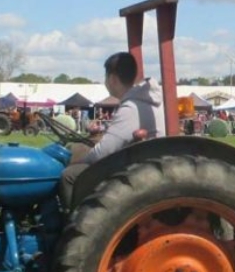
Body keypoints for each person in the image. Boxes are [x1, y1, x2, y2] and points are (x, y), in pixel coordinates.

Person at [59, 52, 163, 205]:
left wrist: (75, 161)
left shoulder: (131, 107)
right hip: (141, 160)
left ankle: (73, 222)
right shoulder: (146, 100)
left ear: (113, 79)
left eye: (105, 77)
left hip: (135, 167)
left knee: (69, 175)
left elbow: (103, 152)